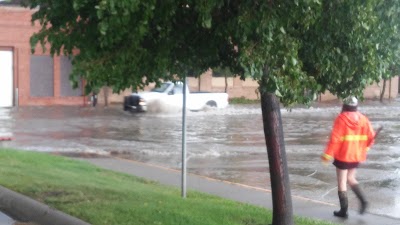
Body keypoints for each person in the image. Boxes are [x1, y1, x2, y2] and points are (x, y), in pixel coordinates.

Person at [321, 96, 380, 218]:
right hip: (356, 156)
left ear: (345, 106)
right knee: (351, 178)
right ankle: (363, 201)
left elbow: (334, 139)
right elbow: (371, 138)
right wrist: (365, 149)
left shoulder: (341, 119)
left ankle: (343, 211)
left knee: (342, 182)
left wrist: (327, 155)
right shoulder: (364, 119)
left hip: (343, 156)